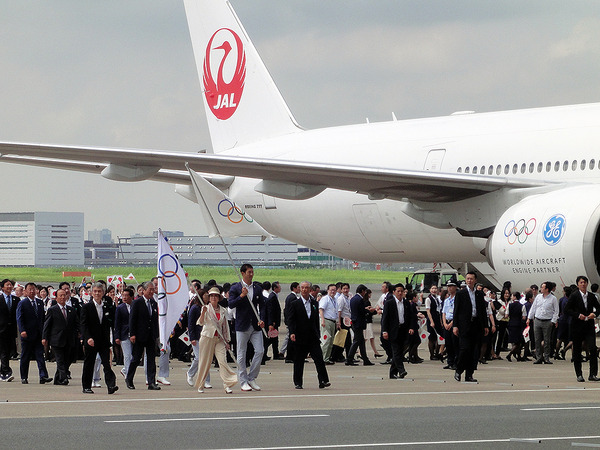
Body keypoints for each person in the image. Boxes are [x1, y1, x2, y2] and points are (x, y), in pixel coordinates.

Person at [228, 263, 267, 392]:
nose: (251, 274)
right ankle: (243, 380)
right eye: (249, 272)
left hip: (255, 325)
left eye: (252, 272)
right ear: (243, 273)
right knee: (241, 354)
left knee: (260, 351)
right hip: (242, 325)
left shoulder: (257, 288)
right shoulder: (236, 288)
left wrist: (263, 320)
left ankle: (251, 377)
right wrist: (242, 296)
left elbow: (262, 305)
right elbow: (231, 304)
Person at [287, 281, 330, 389]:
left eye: (306, 288)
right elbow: (291, 320)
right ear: (300, 289)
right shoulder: (295, 303)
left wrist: (318, 333)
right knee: (299, 360)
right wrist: (292, 332)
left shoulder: (314, 303)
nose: (304, 290)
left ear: (310, 289)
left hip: (313, 336)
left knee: (319, 359)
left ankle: (323, 380)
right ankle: (298, 382)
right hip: (300, 336)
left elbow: (316, 320)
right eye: (302, 288)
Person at [194, 287, 237, 394]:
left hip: (220, 339)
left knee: (222, 361)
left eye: (216, 296)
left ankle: (227, 384)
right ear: (209, 298)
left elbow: (225, 326)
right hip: (207, 337)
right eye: (212, 296)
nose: (213, 298)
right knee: (205, 362)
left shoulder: (223, 310)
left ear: (219, 298)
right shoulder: (206, 308)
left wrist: (227, 340)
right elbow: (200, 322)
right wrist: (203, 312)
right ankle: (201, 384)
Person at [80, 282, 118, 394]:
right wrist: (88, 338)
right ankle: (86, 386)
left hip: (103, 341)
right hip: (91, 340)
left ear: (103, 293)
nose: (97, 293)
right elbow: (83, 324)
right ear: (91, 292)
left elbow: (111, 322)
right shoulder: (86, 307)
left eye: (99, 291)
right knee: (89, 364)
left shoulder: (107, 307)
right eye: (95, 291)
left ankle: (111, 385)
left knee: (107, 364)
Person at [452, 272, 489, 383]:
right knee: (464, 349)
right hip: (464, 326)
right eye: (467, 279)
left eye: (471, 279)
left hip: (476, 325)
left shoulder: (479, 294)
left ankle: (469, 374)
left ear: (475, 280)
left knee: (474, 351)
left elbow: (482, 311)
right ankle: (458, 369)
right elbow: (456, 311)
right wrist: (455, 325)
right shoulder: (461, 293)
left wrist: (485, 325)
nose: (469, 281)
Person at [126, 281, 161, 390]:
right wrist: (132, 334)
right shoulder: (137, 303)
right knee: (136, 359)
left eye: (153, 289)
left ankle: (151, 382)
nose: (152, 291)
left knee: (151, 359)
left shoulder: (153, 303)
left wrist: (156, 335)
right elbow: (132, 319)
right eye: (150, 289)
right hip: (139, 335)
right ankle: (129, 379)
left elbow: (155, 320)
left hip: (150, 336)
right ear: (144, 290)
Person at [565, 275, 600, 382]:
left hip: (589, 325)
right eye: (581, 282)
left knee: (593, 348)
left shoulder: (591, 296)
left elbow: (598, 308)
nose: (583, 284)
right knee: (577, 350)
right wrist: (577, 315)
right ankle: (579, 374)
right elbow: (567, 309)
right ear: (578, 284)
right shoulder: (574, 296)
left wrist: (594, 314)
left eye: (584, 282)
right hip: (577, 326)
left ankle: (593, 374)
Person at [16, 282, 52, 385]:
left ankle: (43, 376)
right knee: (25, 356)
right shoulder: (22, 303)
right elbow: (19, 318)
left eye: (33, 289)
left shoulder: (40, 303)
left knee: (40, 356)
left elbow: (42, 319)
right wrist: (22, 330)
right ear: (25, 291)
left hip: (38, 334)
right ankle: (24, 377)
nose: (32, 291)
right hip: (27, 334)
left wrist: (44, 333)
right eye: (29, 289)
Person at [42, 288, 79, 385]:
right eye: (60, 295)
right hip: (56, 339)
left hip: (69, 339)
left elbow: (77, 324)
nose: (63, 297)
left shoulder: (71, 310)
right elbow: (47, 325)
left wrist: (81, 334)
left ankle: (57, 378)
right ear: (56, 298)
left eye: (64, 295)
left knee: (67, 359)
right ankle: (63, 377)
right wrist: (44, 337)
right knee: (60, 360)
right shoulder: (52, 310)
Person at [381, 283, 416, 379]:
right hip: (393, 331)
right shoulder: (389, 303)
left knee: (400, 352)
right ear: (394, 292)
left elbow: (411, 317)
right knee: (396, 351)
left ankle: (392, 373)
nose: (400, 293)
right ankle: (401, 370)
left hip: (403, 330)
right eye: (398, 291)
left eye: (402, 291)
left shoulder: (406, 303)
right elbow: (385, 318)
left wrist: (411, 327)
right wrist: (384, 331)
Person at [527, 281, 559, 364]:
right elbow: (533, 308)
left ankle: (546, 357)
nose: (541, 289)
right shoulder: (538, 297)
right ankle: (538, 357)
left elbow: (556, 311)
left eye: (542, 287)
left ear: (547, 289)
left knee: (547, 341)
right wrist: (529, 318)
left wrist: (553, 321)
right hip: (537, 320)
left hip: (547, 321)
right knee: (537, 340)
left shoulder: (553, 298)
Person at [187, 290, 211, 389]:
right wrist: (192, 337)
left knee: (206, 358)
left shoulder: (209, 307)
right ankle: (190, 373)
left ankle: (206, 380)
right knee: (199, 357)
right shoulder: (195, 308)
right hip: (196, 336)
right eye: (206, 295)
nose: (208, 297)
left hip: (206, 336)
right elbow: (191, 324)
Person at [346, 284, 375, 366]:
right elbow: (361, 311)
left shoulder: (353, 299)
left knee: (361, 342)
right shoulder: (360, 299)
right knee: (356, 341)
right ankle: (349, 358)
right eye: (364, 291)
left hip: (355, 322)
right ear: (362, 291)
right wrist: (369, 311)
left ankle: (365, 359)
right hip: (358, 323)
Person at [0, 279, 19, 382]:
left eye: (10, 285)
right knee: (4, 351)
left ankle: (3, 371)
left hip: (11, 330)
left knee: (7, 352)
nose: (9, 286)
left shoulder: (16, 299)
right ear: (2, 287)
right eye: (7, 285)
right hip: (1, 329)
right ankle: (6, 372)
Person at [114, 286, 134, 378]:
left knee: (133, 356)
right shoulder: (120, 308)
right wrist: (117, 336)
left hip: (134, 334)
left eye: (126, 295)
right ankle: (128, 375)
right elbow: (117, 323)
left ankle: (125, 369)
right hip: (124, 334)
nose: (124, 297)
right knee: (127, 355)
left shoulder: (135, 306)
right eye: (123, 295)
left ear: (132, 296)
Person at [441, 279, 459, 370]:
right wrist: (444, 323)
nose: (449, 288)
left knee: (455, 343)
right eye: (448, 286)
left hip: (454, 322)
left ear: (455, 287)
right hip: (447, 322)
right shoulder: (447, 300)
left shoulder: (458, 299)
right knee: (448, 344)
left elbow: (457, 313)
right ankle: (450, 362)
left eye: (451, 286)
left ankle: (456, 362)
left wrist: (451, 323)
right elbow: (443, 312)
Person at [319, 284, 338, 364]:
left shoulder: (334, 300)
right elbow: (321, 310)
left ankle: (326, 358)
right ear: (328, 291)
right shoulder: (325, 299)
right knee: (326, 339)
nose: (333, 291)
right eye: (331, 290)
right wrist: (322, 320)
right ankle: (322, 358)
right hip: (326, 321)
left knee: (330, 341)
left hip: (332, 321)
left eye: (334, 290)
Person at [505, 292, 527, 362]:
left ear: (514, 297)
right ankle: (511, 354)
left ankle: (516, 355)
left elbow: (506, 315)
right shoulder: (522, 306)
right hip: (518, 324)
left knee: (515, 341)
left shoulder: (510, 305)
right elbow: (524, 317)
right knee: (519, 341)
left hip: (511, 324)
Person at [264, 281, 282, 361]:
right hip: (273, 322)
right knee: (271, 339)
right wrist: (272, 322)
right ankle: (264, 353)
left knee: (274, 339)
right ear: (275, 288)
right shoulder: (272, 297)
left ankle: (275, 354)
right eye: (279, 287)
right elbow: (271, 310)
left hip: (274, 322)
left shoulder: (274, 296)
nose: (280, 288)